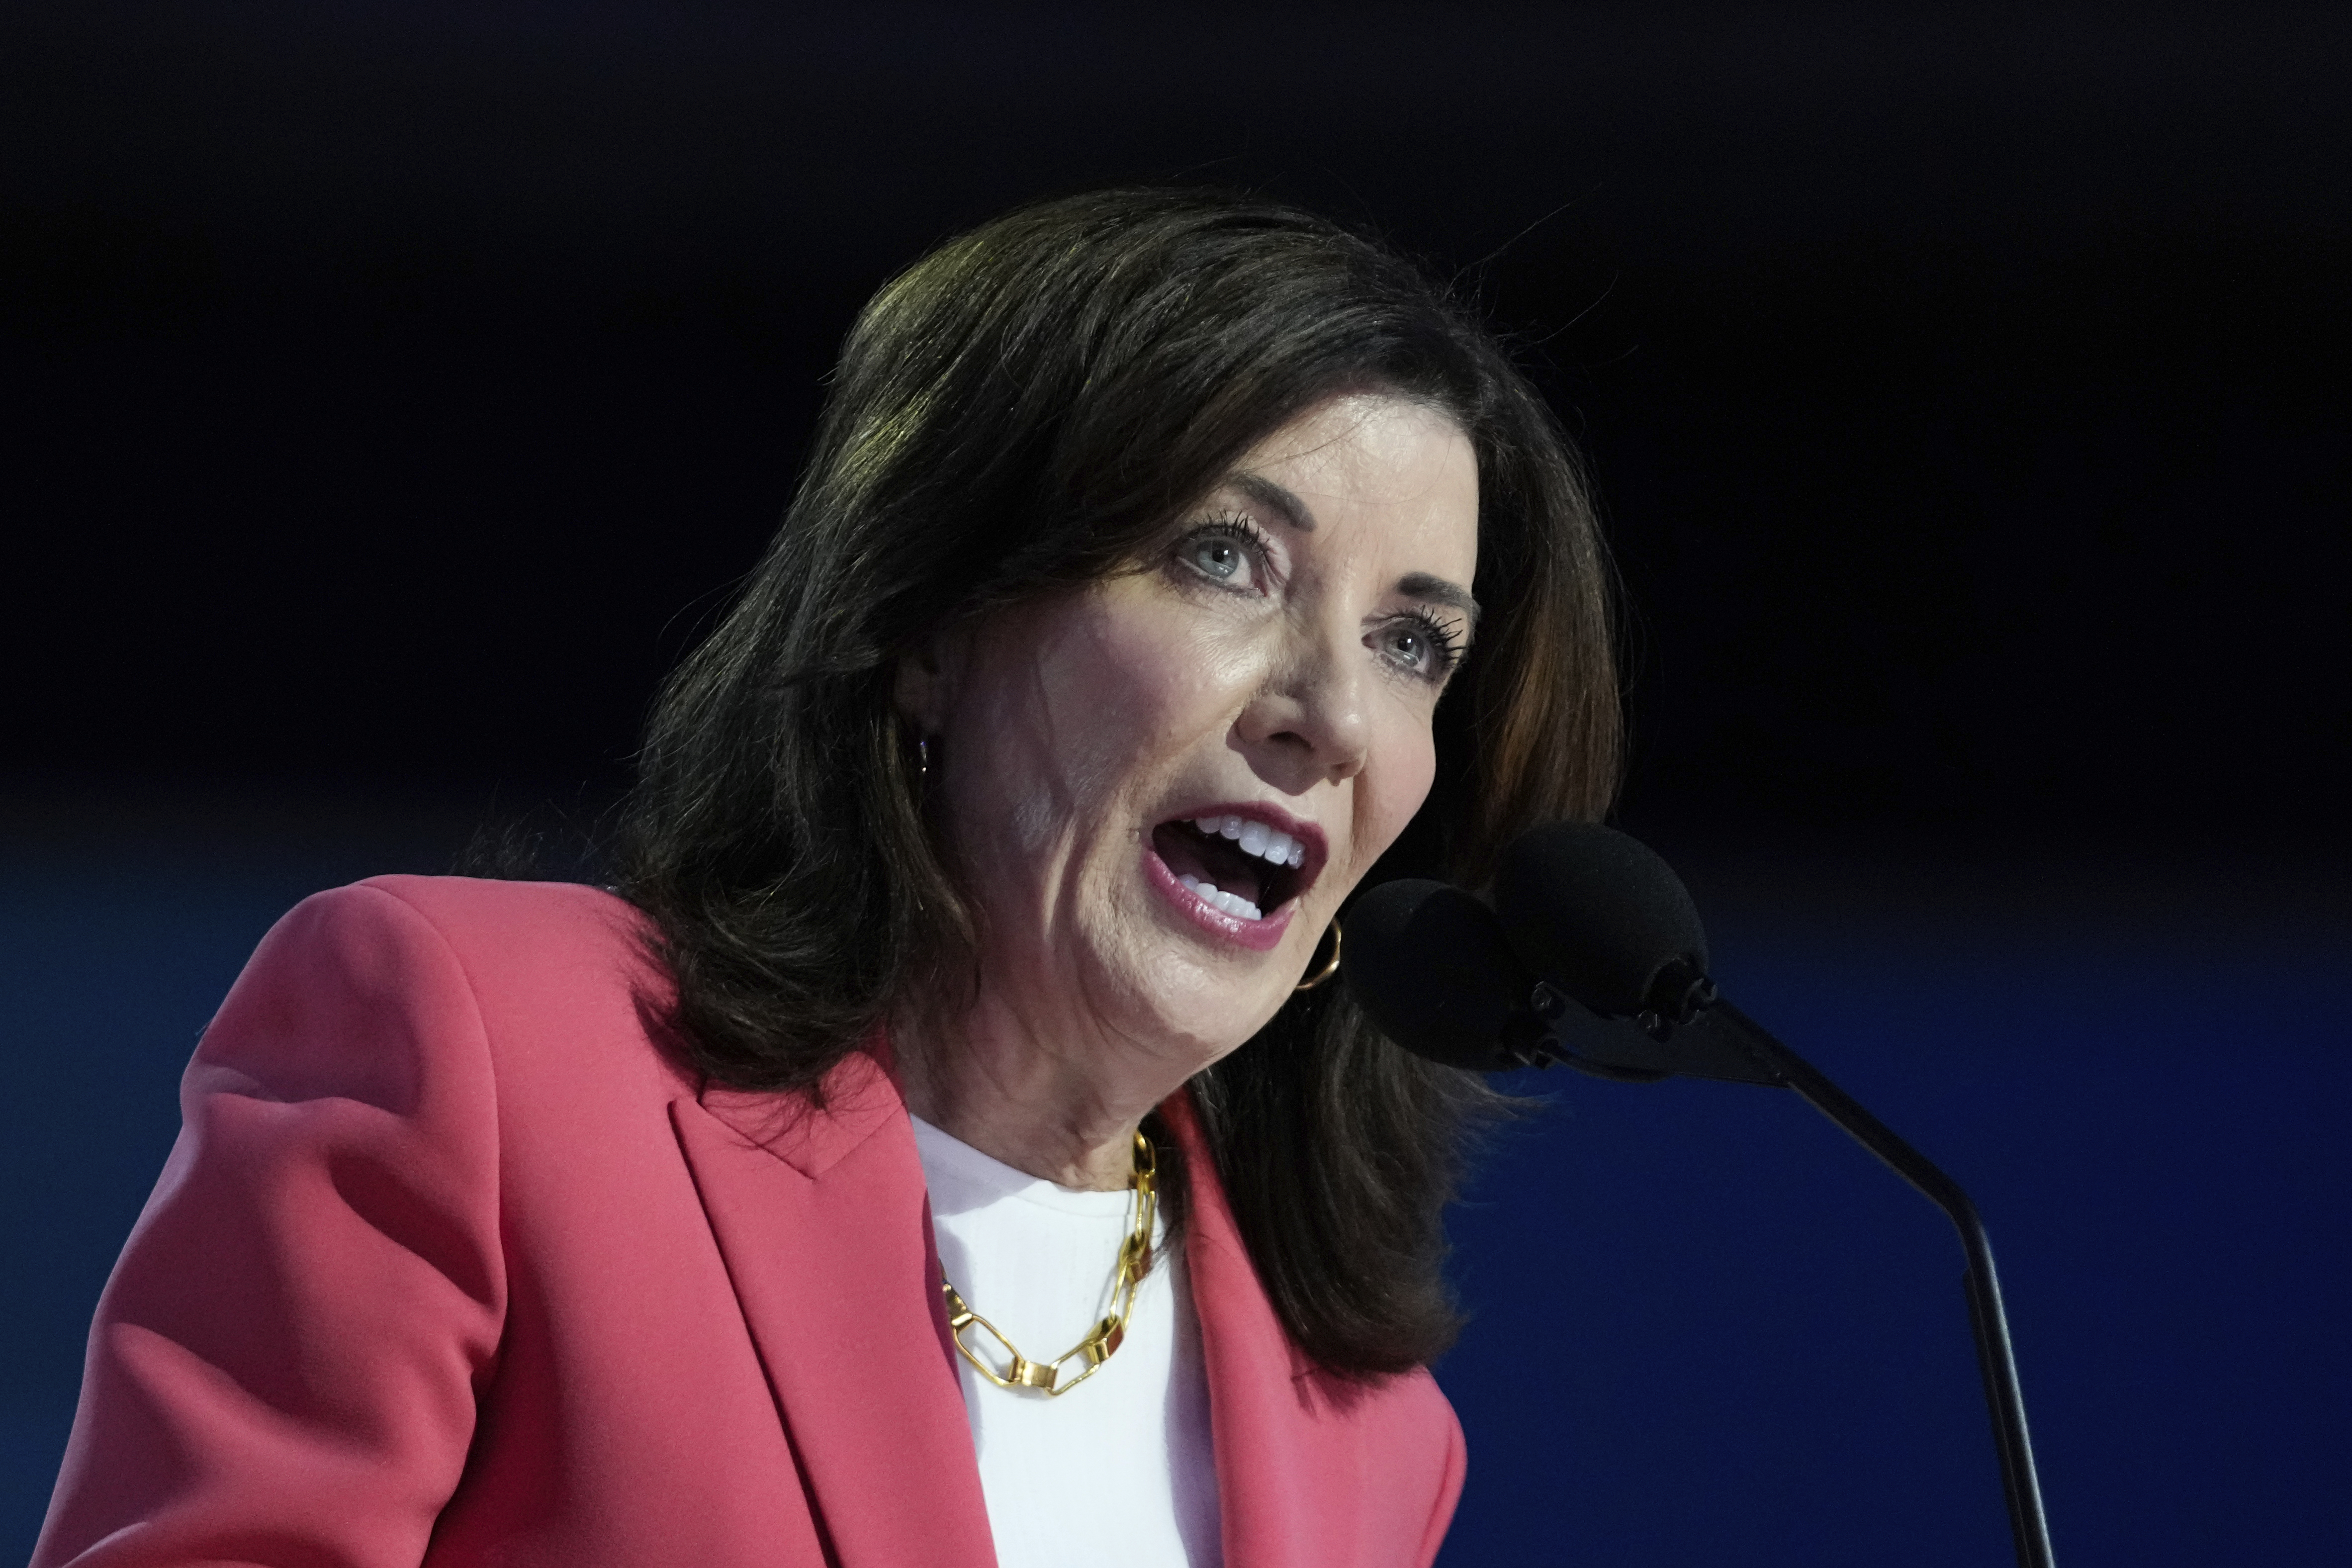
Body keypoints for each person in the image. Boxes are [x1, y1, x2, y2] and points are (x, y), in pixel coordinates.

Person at [33, 187, 1620, 1568]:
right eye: (1225, 557)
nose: (1332, 715)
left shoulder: (1365, 1429)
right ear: (930, 620)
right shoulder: (484, 1049)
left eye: (1411, 643)